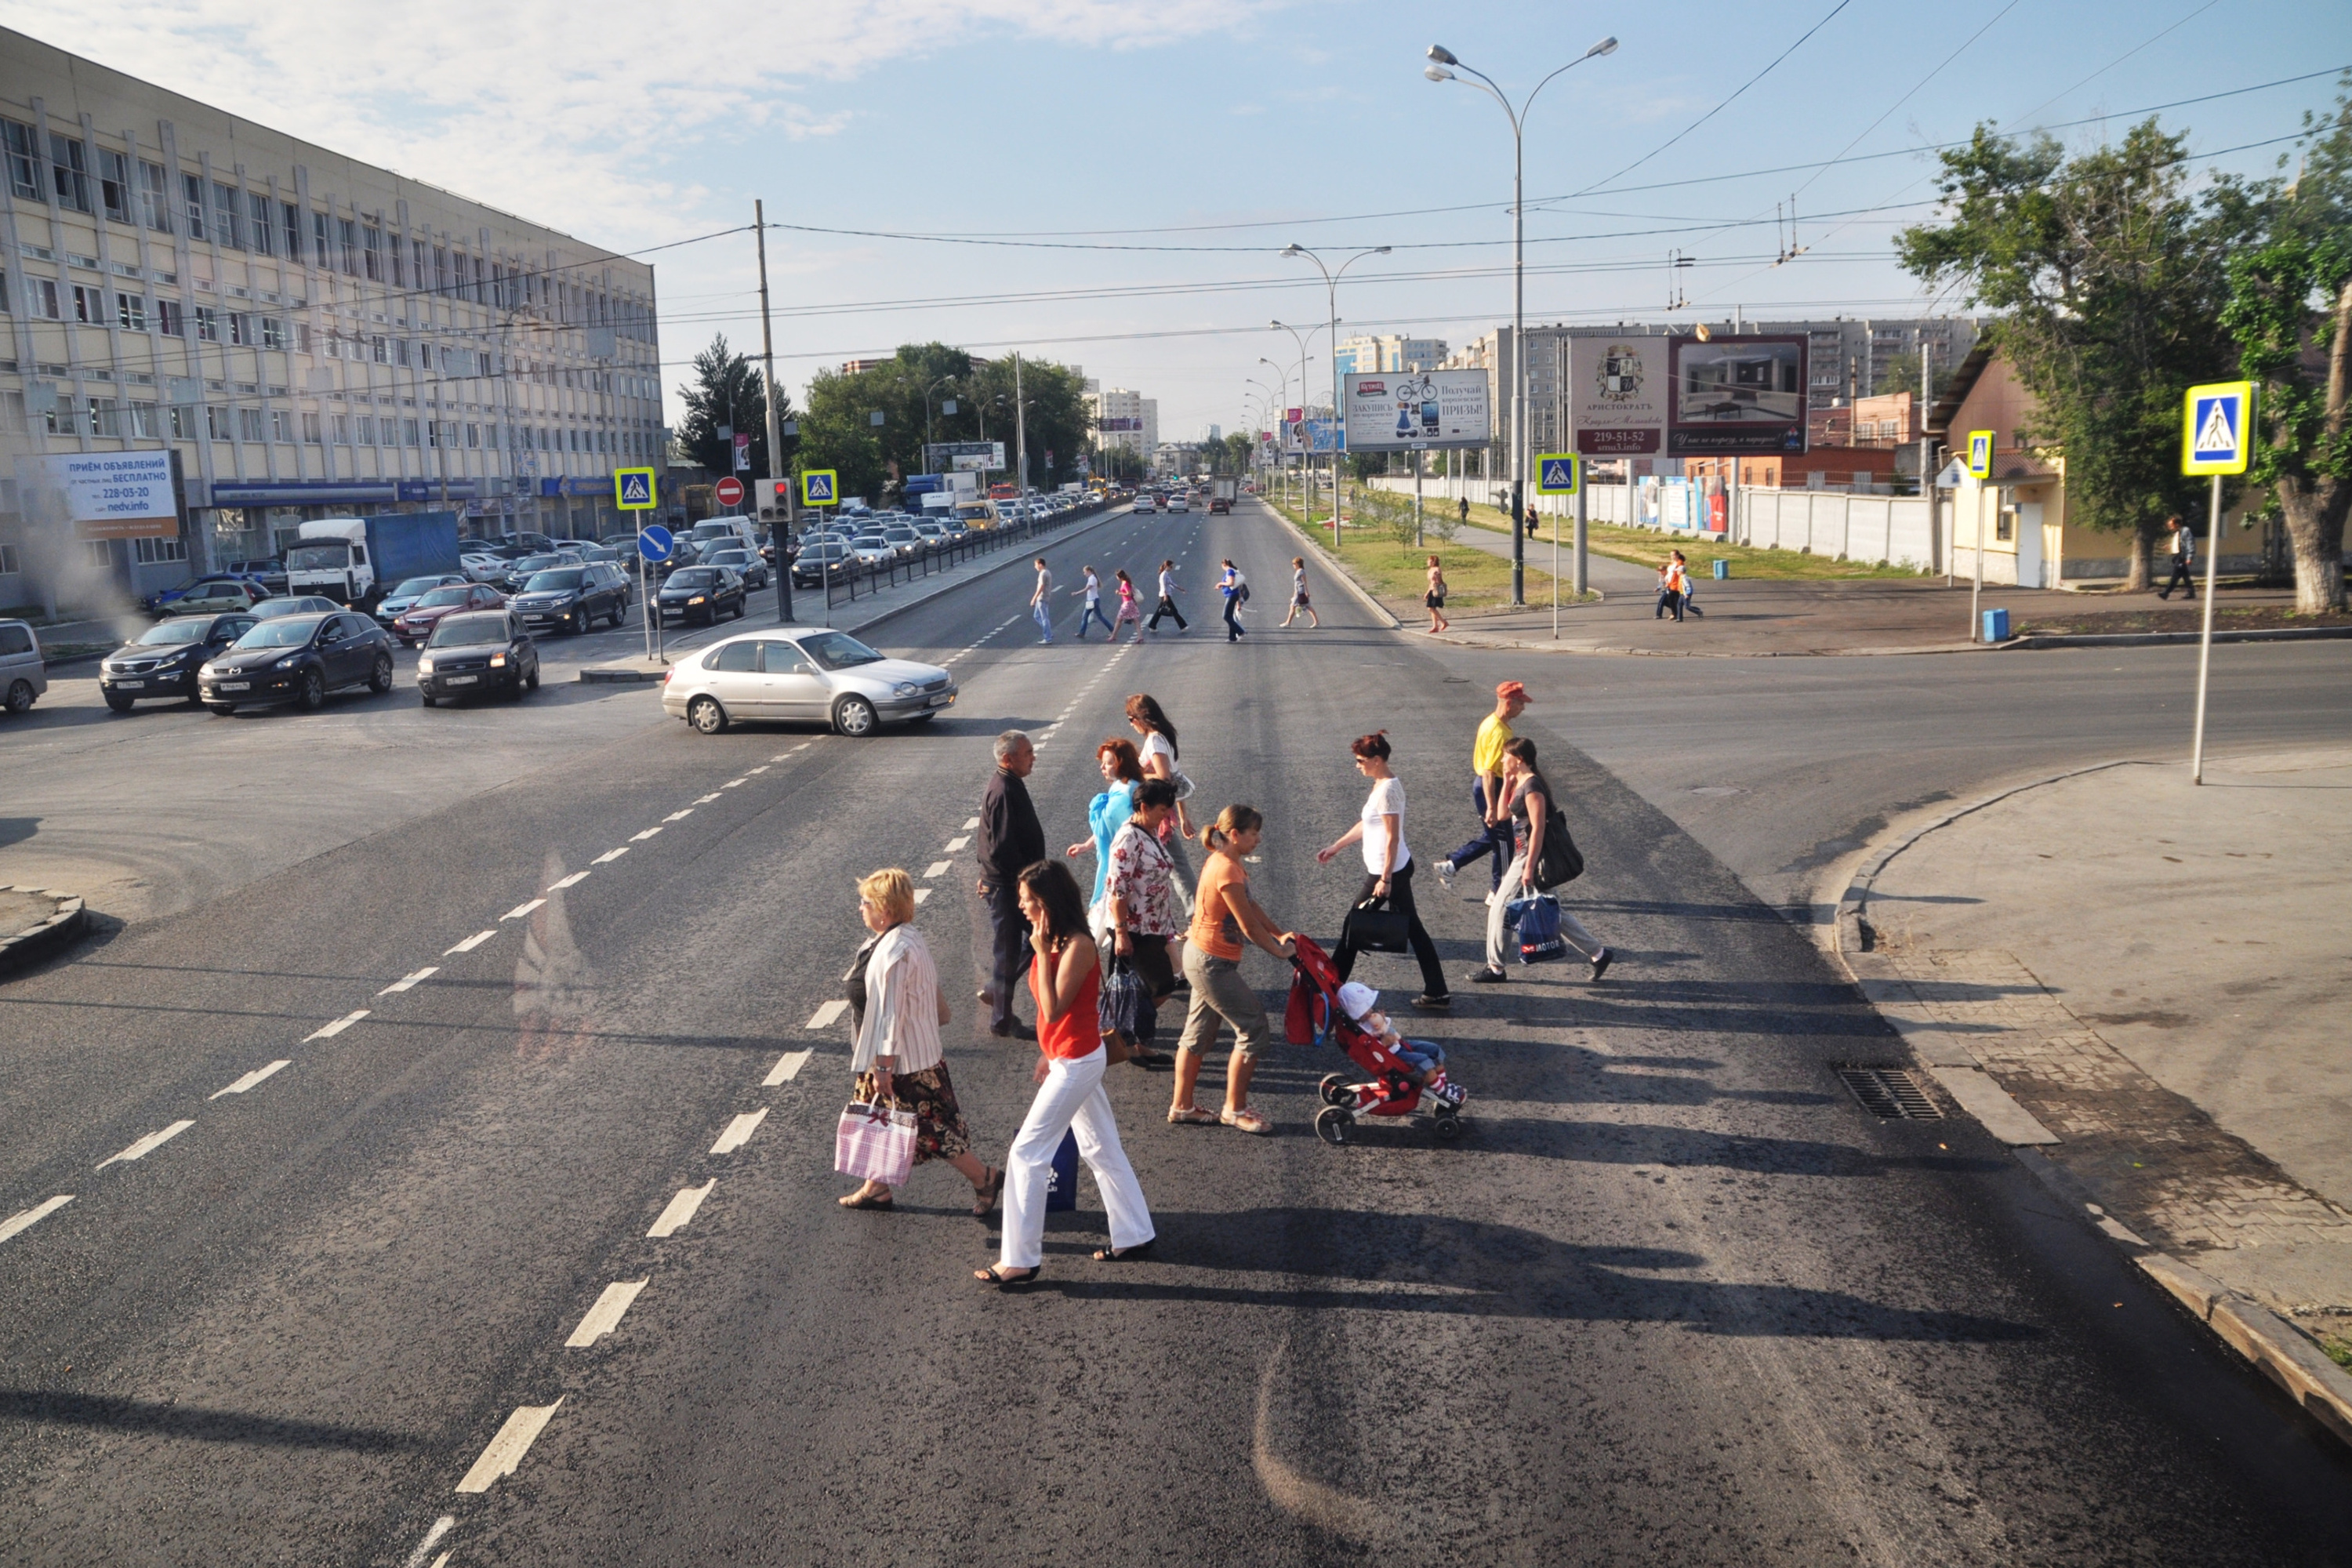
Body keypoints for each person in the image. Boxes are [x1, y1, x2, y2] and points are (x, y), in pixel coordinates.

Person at [978, 860, 1156, 1286]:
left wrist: (1040, 953)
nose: (1021, 908)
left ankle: (1021, 1259)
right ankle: (1135, 1234)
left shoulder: (1076, 946)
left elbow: (1056, 1007)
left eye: (1027, 901)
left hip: (1079, 1061)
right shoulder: (1052, 938)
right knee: (1102, 1149)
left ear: (1047, 901)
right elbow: (1052, 1016)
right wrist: (1047, 1051)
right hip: (1068, 1056)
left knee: (1027, 1153)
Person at [840, 869, 1004, 1218]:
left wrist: (884, 1065)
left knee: (928, 1130)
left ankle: (985, 1177)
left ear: (884, 910)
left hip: (903, 1062)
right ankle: (877, 1188)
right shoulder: (896, 937)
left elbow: (891, 1013)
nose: (860, 908)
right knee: (880, 1117)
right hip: (898, 1055)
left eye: (866, 902)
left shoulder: (896, 950)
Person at [1170, 804, 1297, 1134]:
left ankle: (1182, 1107)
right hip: (1211, 964)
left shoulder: (1227, 862)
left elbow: (1251, 905)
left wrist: (1278, 931)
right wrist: (1280, 952)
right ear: (1235, 834)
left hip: (1201, 957)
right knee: (1253, 1028)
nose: (1259, 839)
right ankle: (1234, 1109)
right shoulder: (1225, 868)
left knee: (1197, 1035)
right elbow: (1248, 926)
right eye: (1254, 833)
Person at [1317, 731, 1450, 1009]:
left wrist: (1385, 879)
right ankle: (1437, 991)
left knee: (1354, 926)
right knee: (1412, 929)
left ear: (1377, 760)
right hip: (1393, 869)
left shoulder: (1388, 790)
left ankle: (1330, 989)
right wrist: (1336, 846)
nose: (1357, 765)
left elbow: (1393, 837)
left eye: (1361, 760)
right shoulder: (1382, 784)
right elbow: (1368, 823)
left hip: (1388, 872)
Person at [1468, 737, 1612, 985]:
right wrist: (1508, 781)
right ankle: (1599, 954)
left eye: (1506, 756)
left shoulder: (1533, 787)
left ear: (1519, 758)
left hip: (1528, 857)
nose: (1502, 759)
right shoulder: (1521, 782)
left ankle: (1496, 968)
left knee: (1500, 908)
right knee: (1550, 909)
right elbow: (1503, 814)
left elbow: (1538, 830)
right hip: (1522, 856)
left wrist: (1530, 867)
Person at [1105, 778, 1183, 1064]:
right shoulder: (1130, 837)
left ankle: (1134, 1038)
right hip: (1135, 927)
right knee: (1160, 986)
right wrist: (1122, 932)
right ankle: (1135, 1039)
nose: (1167, 816)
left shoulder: (1147, 831)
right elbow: (1118, 887)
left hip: (1154, 924)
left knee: (1146, 987)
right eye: (1163, 810)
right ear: (1143, 806)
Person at [975, 730, 1044, 1039]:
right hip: (1008, 886)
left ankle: (997, 992)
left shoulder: (1009, 783)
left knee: (1038, 938)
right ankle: (1001, 1019)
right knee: (1013, 949)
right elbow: (1002, 847)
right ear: (1008, 759)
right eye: (1028, 753)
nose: (1033, 757)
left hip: (1006, 882)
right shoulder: (1004, 790)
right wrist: (1025, 887)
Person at [1435, 680, 1526, 895]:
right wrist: (1493, 808)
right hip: (1491, 787)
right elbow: (1487, 773)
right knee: (1504, 843)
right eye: (1521, 704)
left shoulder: (1491, 723)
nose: (1523, 708)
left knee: (1495, 835)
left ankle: (1451, 865)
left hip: (1489, 787)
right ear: (1509, 703)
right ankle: (1500, 892)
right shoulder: (1500, 734)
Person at [1126, 692, 1196, 898]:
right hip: (1165, 807)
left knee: (1175, 865)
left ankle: (1196, 917)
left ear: (1139, 718)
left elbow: (1165, 779)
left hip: (1157, 809)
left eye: (1131, 720)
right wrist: (1183, 817)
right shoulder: (1163, 736)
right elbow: (1177, 777)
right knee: (1173, 863)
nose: (1131, 725)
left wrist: (1136, 773)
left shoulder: (1155, 741)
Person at [1065, 737, 1142, 920]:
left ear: (1122, 764)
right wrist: (1086, 845)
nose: (1102, 768)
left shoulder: (1124, 795)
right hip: (1119, 861)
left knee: (1111, 918)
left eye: (1108, 763)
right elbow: (1108, 826)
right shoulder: (1123, 786)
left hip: (1122, 863)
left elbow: (1125, 831)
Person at [1336, 981, 1445, 1089]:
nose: (1370, 1011)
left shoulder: (1366, 1021)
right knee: (1424, 1060)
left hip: (1399, 1045)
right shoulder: (1360, 1030)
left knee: (1434, 1049)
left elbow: (1383, 1028)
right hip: (1392, 1055)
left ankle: (1443, 1082)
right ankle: (1441, 1090)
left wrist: (1382, 1021)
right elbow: (1370, 1050)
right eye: (1365, 1010)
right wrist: (1383, 1043)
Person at [1070, 564, 1114, 641]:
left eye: (1085, 572)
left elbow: (1086, 589)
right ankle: (1112, 630)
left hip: (1092, 601)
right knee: (1099, 617)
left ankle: (1082, 633)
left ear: (1089, 571)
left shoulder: (1092, 579)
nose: (1084, 574)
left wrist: (1076, 593)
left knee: (1085, 616)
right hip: (1094, 600)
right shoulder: (1092, 578)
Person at [1147, 558, 1189, 633]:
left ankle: (1152, 626)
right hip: (1164, 595)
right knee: (1174, 611)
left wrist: (1181, 589)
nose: (1172, 568)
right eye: (1171, 567)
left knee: (1159, 611)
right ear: (1167, 566)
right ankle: (1183, 626)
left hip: (1164, 595)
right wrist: (1166, 595)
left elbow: (1172, 583)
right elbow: (1163, 586)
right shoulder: (1163, 575)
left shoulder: (1166, 574)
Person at [2159, 516, 2196, 601]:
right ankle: (2191, 593)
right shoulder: (2177, 533)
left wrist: (2189, 557)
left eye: (2171, 525)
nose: (2170, 527)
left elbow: (2190, 544)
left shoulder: (2185, 531)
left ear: (2177, 524)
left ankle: (2166, 593)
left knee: (2175, 575)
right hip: (2176, 556)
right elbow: (2180, 544)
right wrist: (2170, 546)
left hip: (2181, 556)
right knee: (2185, 575)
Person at [1282, 556, 1319, 628]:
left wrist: (1306, 592)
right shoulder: (1298, 571)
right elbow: (1297, 583)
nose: (1293, 565)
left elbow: (1304, 582)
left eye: (1294, 564)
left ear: (1298, 564)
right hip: (1298, 591)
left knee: (1293, 606)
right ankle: (1316, 622)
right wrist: (1294, 593)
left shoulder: (1301, 571)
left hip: (1301, 592)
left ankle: (1288, 622)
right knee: (1308, 606)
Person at [1218, 558, 1248, 642]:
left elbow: (1231, 583)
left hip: (1231, 596)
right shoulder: (1232, 571)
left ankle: (1241, 632)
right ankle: (1232, 638)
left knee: (1226, 616)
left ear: (1224, 565)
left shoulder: (1230, 571)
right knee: (1230, 616)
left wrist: (1220, 584)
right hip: (1233, 595)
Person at [1110, 568, 1145, 642]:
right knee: (1136, 620)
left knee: (1119, 619)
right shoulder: (1125, 582)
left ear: (1120, 577)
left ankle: (1113, 636)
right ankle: (1140, 636)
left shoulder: (1125, 583)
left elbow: (1129, 594)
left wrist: (1119, 593)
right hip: (1131, 603)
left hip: (1127, 604)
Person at [1029, 557, 1056, 644]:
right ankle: (1048, 632)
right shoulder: (1047, 572)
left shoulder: (1043, 574)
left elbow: (1041, 587)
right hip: (1044, 597)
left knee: (1044, 618)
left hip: (1042, 598)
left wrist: (1034, 598)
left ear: (1040, 564)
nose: (1035, 567)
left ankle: (1048, 638)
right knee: (1036, 616)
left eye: (1036, 565)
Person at [1655, 553, 1686, 622]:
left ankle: (1665, 614)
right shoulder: (1672, 563)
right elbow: (1669, 576)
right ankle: (1676, 613)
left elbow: (1678, 575)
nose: (1672, 556)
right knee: (1671, 601)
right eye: (1671, 555)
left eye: (1673, 555)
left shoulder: (1679, 563)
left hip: (1675, 585)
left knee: (1667, 599)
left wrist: (1679, 584)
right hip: (1670, 585)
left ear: (1677, 555)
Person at [1424, 555, 1450, 634]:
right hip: (1431, 590)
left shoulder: (1437, 569)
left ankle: (1443, 622)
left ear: (1432, 561)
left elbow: (1439, 581)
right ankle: (1435, 626)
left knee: (1431, 608)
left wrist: (1438, 577)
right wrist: (1427, 592)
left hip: (1436, 590)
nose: (1427, 562)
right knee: (1432, 608)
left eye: (1429, 561)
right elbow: (1430, 583)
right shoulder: (1430, 570)